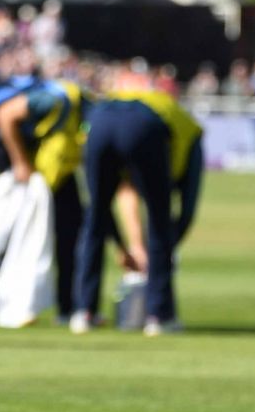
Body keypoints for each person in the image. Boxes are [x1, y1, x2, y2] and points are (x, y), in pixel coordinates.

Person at [68, 87, 205, 336]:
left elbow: (113, 202)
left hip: (97, 124)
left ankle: (84, 312)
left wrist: (130, 248)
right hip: (142, 126)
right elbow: (186, 209)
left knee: (94, 219)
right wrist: (165, 249)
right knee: (159, 221)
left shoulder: (143, 110)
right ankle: (159, 316)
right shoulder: (192, 136)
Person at [0, 74, 90, 318]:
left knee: (70, 238)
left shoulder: (79, 111)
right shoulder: (52, 100)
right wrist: (21, 162)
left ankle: (68, 307)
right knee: (17, 234)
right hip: (30, 175)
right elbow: (5, 115)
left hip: (57, 175)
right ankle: (2, 297)